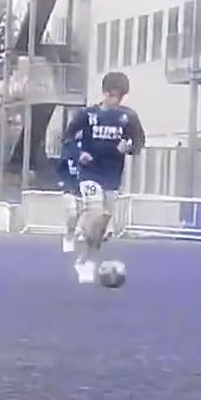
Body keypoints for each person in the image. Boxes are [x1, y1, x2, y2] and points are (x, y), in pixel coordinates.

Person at [62, 72, 146, 284]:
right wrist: (79, 154)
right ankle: (81, 240)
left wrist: (129, 147)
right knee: (95, 211)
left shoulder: (129, 117)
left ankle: (88, 259)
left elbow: (138, 143)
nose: (117, 101)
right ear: (105, 93)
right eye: (113, 95)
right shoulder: (87, 114)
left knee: (101, 224)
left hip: (112, 174)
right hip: (90, 172)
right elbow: (67, 138)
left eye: (121, 96)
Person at [57, 154, 83, 254]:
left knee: (81, 214)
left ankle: (78, 234)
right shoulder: (68, 154)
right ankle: (68, 236)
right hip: (69, 189)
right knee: (72, 214)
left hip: (82, 190)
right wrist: (61, 181)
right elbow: (59, 168)